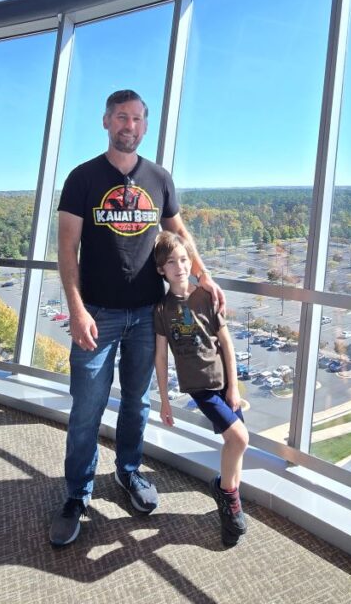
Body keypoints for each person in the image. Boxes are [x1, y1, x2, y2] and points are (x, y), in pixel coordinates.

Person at [50, 89, 224, 547]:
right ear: (106, 121)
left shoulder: (159, 178)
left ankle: (128, 473)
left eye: (138, 119)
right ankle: (76, 495)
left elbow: (178, 233)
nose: (130, 126)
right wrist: (76, 307)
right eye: (122, 117)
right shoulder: (82, 178)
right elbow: (67, 247)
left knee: (136, 402)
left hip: (148, 314)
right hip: (98, 315)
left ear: (145, 126)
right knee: (86, 408)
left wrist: (206, 277)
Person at [152, 230, 249, 547]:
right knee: (239, 438)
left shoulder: (206, 297)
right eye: (171, 262)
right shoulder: (162, 310)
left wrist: (233, 388)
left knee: (236, 446)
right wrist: (165, 401)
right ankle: (227, 494)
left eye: (183, 259)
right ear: (161, 270)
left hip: (224, 384)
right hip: (201, 388)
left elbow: (227, 345)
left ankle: (229, 508)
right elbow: (161, 356)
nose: (179, 266)